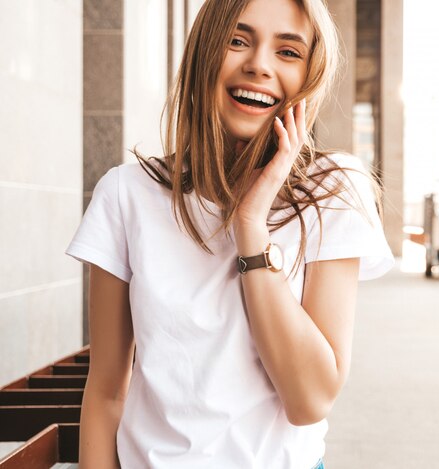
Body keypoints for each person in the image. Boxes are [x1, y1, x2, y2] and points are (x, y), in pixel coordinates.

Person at [65, 0, 394, 467]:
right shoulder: (126, 193)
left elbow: (309, 401)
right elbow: (105, 394)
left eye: (288, 52)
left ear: (309, 76)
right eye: (237, 41)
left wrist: (250, 227)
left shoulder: (333, 190)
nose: (258, 65)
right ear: (204, 53)